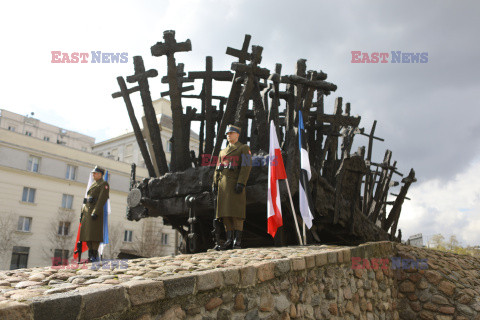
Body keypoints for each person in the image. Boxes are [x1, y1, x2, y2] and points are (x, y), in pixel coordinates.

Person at [212, 125, 252, 250]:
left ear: (237, 135)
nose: (229, 135)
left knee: (236, 213)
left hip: (235, 184)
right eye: (227, 133)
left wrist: (241, 182)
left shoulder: (243, 148)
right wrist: (214, 183)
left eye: (231, 133)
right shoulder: (222, 152)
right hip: (223, 186)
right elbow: (217, 169)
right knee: (225, 214)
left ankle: (237, 241)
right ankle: (229, 240)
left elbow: (246, 166)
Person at [80, 166, 109, 262]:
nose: (93, 174)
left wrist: (95, 212)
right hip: (87, 212)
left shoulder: (103, 184)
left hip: (94, 212)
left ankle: (94, 255)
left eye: (95, 173)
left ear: (100, 174)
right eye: (93, 173)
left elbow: (102, 199)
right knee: (87, 235)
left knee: (94, 236)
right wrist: (82, 211)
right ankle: (90, 256)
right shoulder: (94, 184)